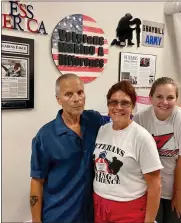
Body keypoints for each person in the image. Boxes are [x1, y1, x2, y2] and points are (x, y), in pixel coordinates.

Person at [30, 73, 106, 223]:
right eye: (68, 94)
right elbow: (37, 182)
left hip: (91, 215)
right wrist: (36, 220)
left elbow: (118, 126)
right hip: (59, 216)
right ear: (58, 99)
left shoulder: (94, 121)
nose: (76, 99)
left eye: (80, 92)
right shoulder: (45, 136)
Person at [93, 80, 163, 223]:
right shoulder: (102, 130)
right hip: (99, 204)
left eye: (125, 103)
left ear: (133, 107)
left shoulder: (142, 138)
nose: (118, 107)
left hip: (129, 208)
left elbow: (155, 186)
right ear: (108, 105)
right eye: (114, 102)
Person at [133, 77, 181, 223]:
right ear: (150, 98)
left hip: (179, 189)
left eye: (170, 97)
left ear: (176, 99)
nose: (164, 102)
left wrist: (178, 195)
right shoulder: (140, 119)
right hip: (151, 189)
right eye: (159, 97)